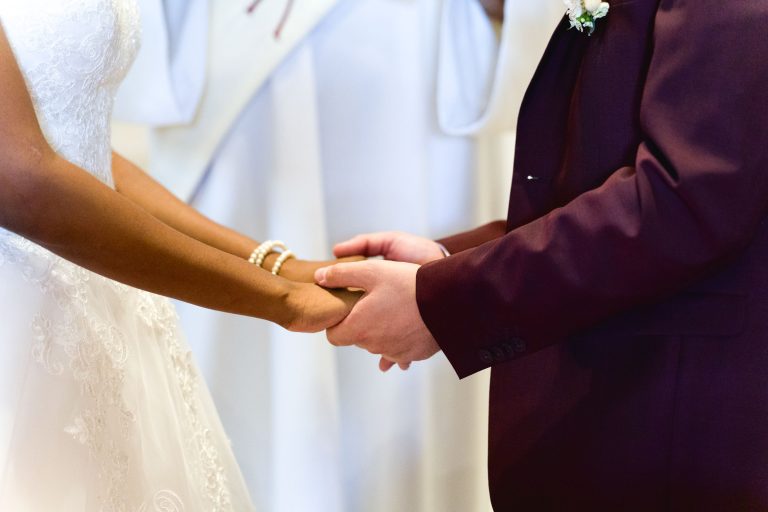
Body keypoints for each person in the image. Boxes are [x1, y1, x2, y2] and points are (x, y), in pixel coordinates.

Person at [316, 0, 768, 509]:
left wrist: (444, 303)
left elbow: (683, 202)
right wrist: (450, 262)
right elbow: (603, 174)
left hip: (673, 427)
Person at [0, 1, 358, 510]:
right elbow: (21, 180)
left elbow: (84, 150)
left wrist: (275, 263)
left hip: (102, 314)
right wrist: (281, 300)